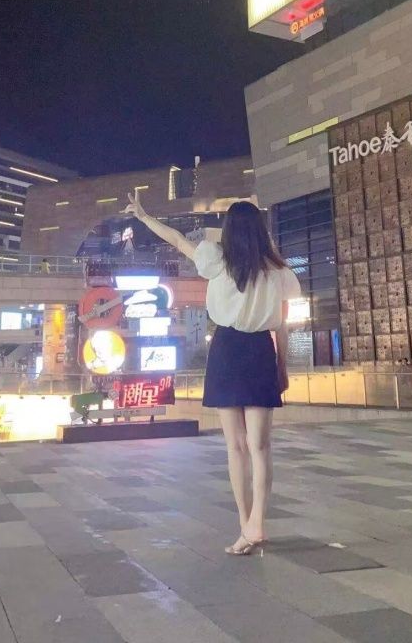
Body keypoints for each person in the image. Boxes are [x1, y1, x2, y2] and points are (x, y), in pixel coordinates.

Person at [122, 191, 300, 556]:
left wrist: (143, 216)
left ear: (229, 230)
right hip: (261, 351)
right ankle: (256, 524)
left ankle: (245, 524)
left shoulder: (216, 259)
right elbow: (281, 326)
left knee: (235, 446)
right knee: (260, 446)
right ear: (261, 230)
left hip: (227, 349)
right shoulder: (278, 271)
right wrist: (282, 367)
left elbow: (176, 239)